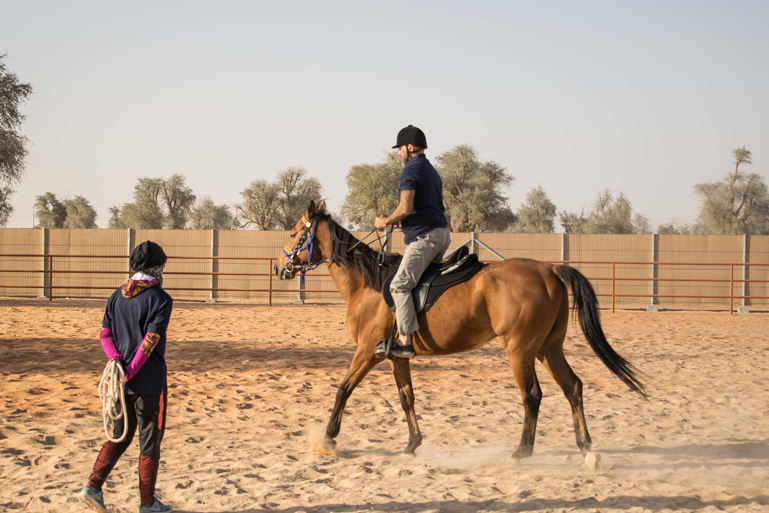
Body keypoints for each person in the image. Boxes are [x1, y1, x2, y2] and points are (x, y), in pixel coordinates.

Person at [78, 241, 174, 513]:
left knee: (119, 436)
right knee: (149, 442)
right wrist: (132, 368)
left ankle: (92, 487)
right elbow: (151, 339)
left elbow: (104, 335)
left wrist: (116, 362)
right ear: (155, 267)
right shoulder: (161, 299)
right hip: (149, 383)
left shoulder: (116, 297)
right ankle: (147, 504)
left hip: (119, 384)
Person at [375, 125, 450, 358]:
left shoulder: (411, 170)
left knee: (399, 285)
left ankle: (405, 342)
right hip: (440, 234)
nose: (398, 153)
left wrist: (386, 221)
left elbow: (405, 207)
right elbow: (424, 209)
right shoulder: (431, 170)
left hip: (424, 239)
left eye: (399, 148)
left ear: (409, 147)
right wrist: (403, 224)